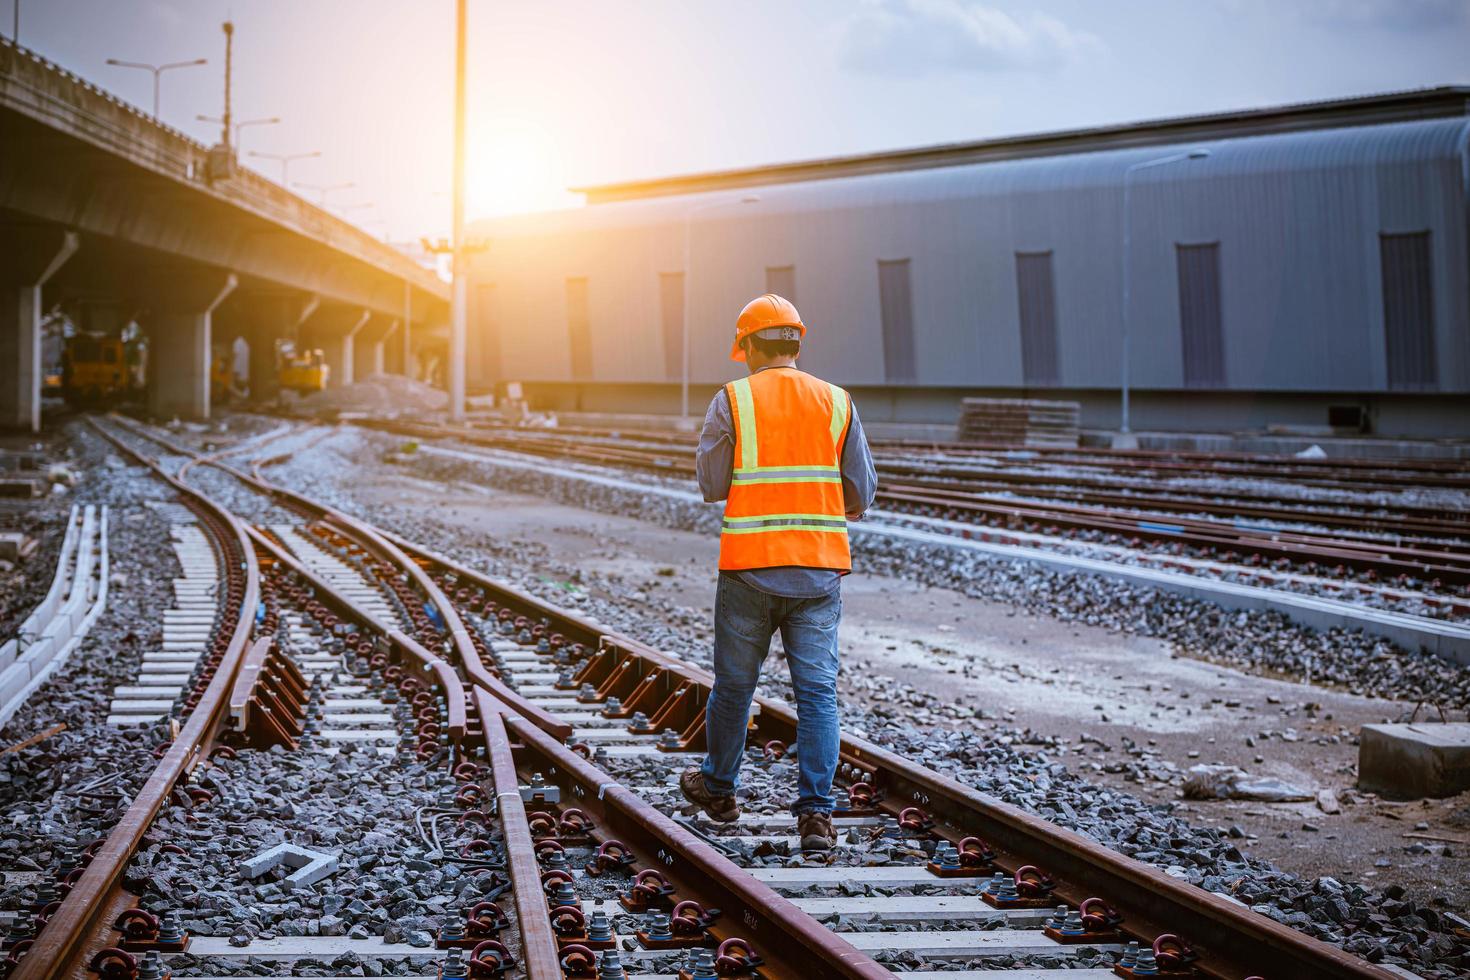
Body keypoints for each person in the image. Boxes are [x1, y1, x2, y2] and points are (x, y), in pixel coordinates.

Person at [679, 293, 876, 851]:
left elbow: (713, 484)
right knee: (817, 694)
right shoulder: (837, 401)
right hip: (818, 572)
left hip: (749, 571)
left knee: (736, 687)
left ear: (746, 346)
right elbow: (862, 491)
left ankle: (719, 789)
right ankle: (815, 815)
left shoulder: (732, 401)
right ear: (797, 341)